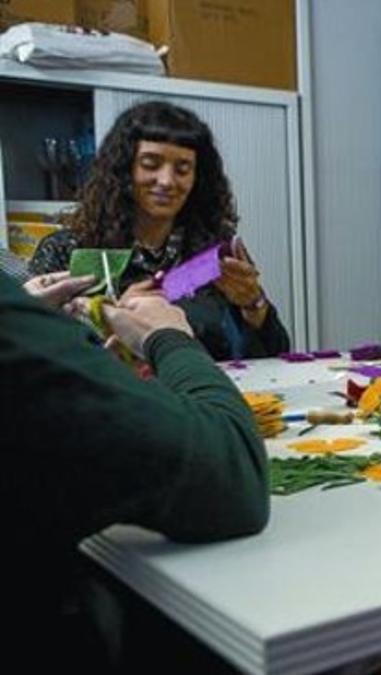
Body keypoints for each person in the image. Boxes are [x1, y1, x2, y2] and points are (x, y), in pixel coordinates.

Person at [3, 271, 269, 669]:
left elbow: (270, 342)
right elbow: (228, 470)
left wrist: (255, 308)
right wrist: (167, 336)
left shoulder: (212, 258)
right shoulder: (60, 262)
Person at [28, 100, 290, 361]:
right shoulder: (69, 250)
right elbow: (33, 361)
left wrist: (253, 304)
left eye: (182, 169)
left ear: (197, 179)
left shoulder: (210, 252)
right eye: (151, 164)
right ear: (124, 170)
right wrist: (115, 320)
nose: (166, 181)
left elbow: (276, 356)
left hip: (204, 395)